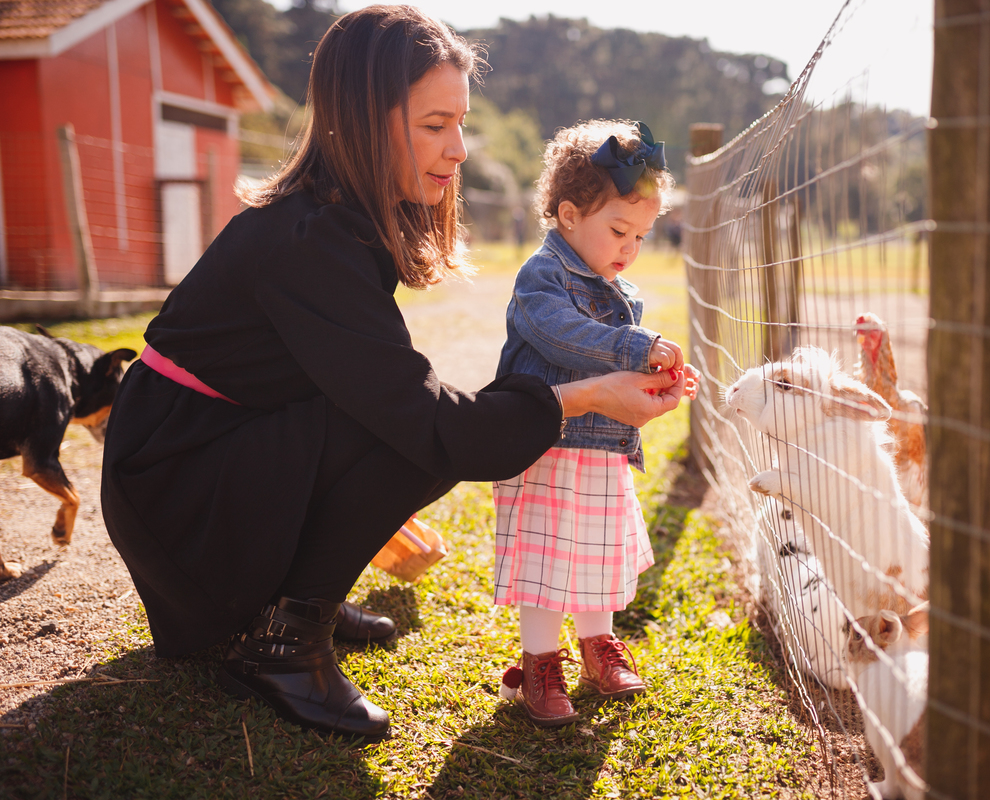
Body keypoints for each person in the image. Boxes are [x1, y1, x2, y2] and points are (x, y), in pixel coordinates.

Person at [99, 6, 686, 744]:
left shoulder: (334, 220)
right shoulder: (310, 241)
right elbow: (435, 426)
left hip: (202, 452)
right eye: (435, 124)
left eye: (460, 122)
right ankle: (286, 642)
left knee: (396, 415)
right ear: (363, 120)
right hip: (176, 492)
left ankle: (297, 594)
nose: (460, 148)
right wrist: (593, 394)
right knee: (414, 435)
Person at [492, 120, 699, 727]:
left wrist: (659, 382)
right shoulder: (543, 278)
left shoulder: (622, 291)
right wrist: (639, 350)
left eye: (641, 234)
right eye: (618, 230)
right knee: (545, 561)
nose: (629, 247)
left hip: (603, 450)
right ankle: (539, 661)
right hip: (547, 442)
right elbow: (569, 338)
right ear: (567, 215)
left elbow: (616, 360)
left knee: (597, 555)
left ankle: (598, 649)